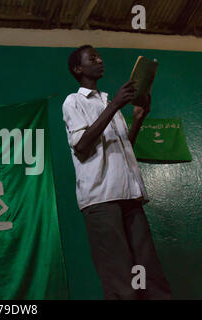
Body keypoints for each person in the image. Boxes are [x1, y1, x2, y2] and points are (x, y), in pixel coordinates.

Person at [62, 44, 172, 300]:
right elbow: (82, 145)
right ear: (79, 69)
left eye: (99, 56)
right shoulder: (74, 101)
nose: (100, 60)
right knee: (121, 283)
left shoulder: (109, 101)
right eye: (92, 58)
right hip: (102, 201)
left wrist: (138, 118)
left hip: (130, 197)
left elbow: (125, 150)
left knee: (149, 276)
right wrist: (114, 107)